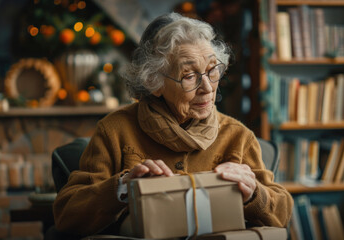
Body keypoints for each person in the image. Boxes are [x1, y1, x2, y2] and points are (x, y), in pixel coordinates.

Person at [53, 12, 293, 237]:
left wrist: (254, 194)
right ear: (153, 82)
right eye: (189, 76)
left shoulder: (238, 136)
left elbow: (282, 214)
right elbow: (66, 215)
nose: (208, 88)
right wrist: (123, 188)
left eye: (212, 71)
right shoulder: (114, 130)